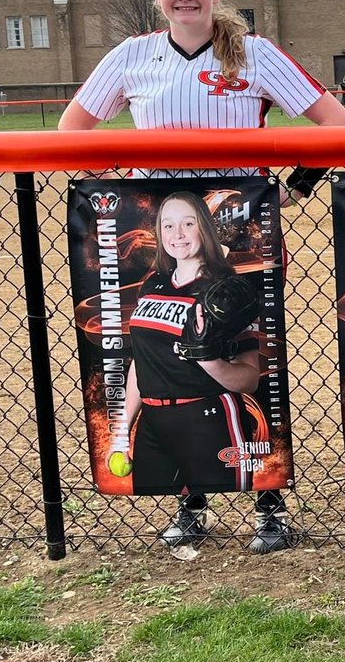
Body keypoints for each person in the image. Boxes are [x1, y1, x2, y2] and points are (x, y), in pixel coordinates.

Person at [59, 0, 345, 553]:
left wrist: (295, 185)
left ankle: (267, 496)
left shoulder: (253, 53)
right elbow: (72, 131)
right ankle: (190, 498)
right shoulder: (133, 55)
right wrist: (130, 188)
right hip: (167, 237)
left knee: (245, 356)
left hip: (239, 239)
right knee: (169, 356)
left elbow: (337, 124)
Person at [113, 192, 265, 504]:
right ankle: (191, 516)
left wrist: (207, 358)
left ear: (205, 228)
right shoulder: (154, 282)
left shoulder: (227, 290)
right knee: (162, 491)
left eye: (188, 223)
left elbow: (250, 379)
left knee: (231, 489)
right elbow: (140, 364)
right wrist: (122, 429)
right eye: (167, 226)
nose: (177, 234)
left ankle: (269, 516)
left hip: (206, 417)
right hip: (153, 422)